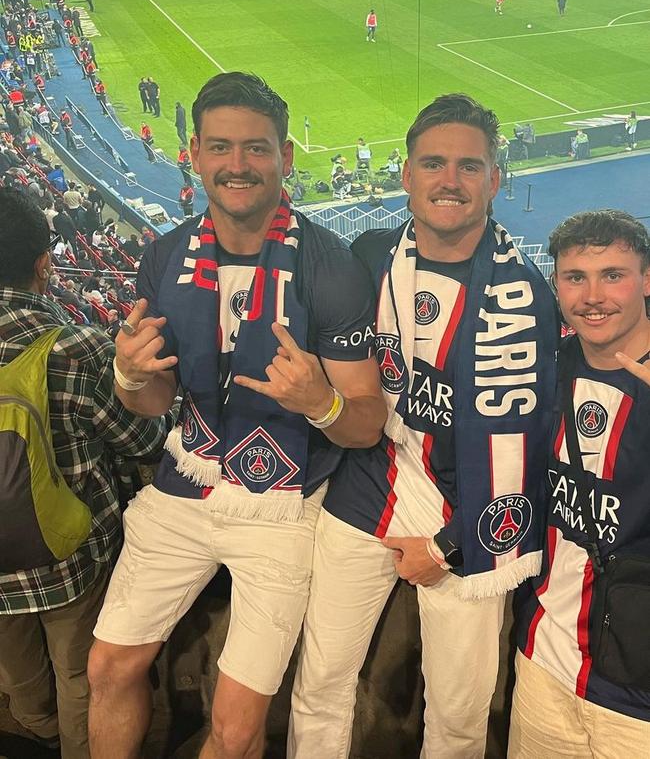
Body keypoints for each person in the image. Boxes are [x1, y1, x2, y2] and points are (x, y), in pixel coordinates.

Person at [86, 72, 385, 759]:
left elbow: (365, 422)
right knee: (109, 667)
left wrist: (322, 402)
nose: (238, 165)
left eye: (256, 148)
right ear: (194, 151)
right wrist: (129, 373)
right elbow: (152, 401)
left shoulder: (330, 267)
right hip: (185, 482)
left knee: (238, 727)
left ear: (285, 155)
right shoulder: (164, 256)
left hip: (282, 504)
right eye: (221, 147)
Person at [289, 93, 558, 759]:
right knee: (319, 679)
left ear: (496, 178)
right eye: (433, 163)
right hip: (365, 486)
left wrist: (453, 544)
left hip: (467, 515)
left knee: (460, 716)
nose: (450, 180)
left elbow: (528, 452)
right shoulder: (370, 252)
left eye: (471, 166)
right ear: (404, 174)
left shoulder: (527, 297)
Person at [0, 189, 166, 759]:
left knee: (15, 659)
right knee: (80, 675)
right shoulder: (77, 348)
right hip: (67, 557)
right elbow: (141, 439)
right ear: (45, 265)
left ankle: (31, 727)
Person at [511, 209, 650, 758]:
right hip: (543, 662)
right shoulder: (545, 369)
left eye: (613, 275)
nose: (593, 296)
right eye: (576, 278)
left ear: (647, 278)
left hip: (638, 697)